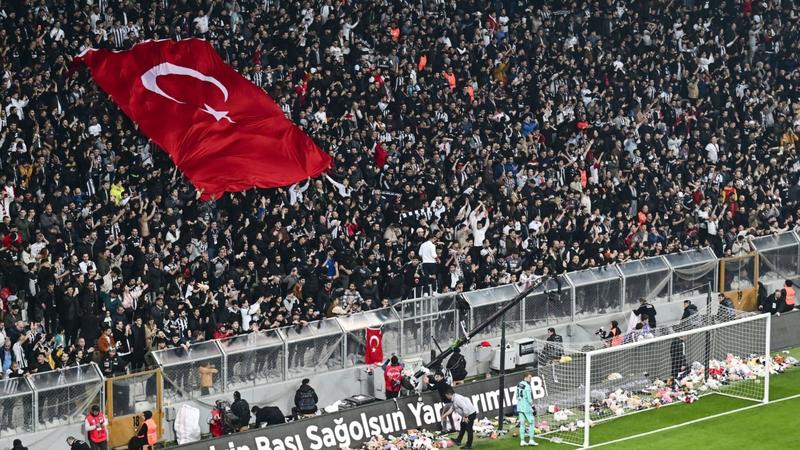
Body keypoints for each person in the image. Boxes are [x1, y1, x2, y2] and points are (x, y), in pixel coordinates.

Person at [516, 373, 539, 447]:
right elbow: (529, 399)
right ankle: (531, 440)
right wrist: (533, 407)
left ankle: (522, 441)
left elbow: (516, 395)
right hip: (526, 407)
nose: (530, 379)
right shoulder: (527, 386)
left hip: (520, 406)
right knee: (532, 422)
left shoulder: (519, 384)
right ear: (525, 377)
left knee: (522, 424)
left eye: (531, 377)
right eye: (529, 377)